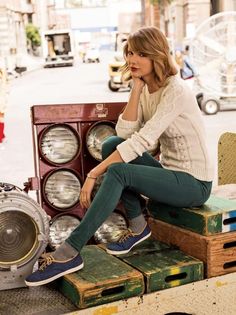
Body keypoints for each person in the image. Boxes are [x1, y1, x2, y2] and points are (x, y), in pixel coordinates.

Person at [25, 26, 214, 287]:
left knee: (117, 169)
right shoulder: (147, 90)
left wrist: (94, 173)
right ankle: (138, 225)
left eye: (139, 54)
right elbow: (125, 135)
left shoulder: (176, 90)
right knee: (111, 144)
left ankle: (69, 252)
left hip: (194, 183)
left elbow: (143, 141)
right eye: (129, 53)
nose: (131, 60)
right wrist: (136, 90)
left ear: (156, 55)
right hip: (171, 173)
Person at [0, 67, 8, 146]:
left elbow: (5, 88)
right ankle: (2, 136)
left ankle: (1, 136)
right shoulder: (2, 72)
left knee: (1, 118)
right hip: (3, 99)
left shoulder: (2, 73)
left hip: (1, 100)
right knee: (1, 119)